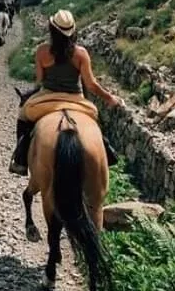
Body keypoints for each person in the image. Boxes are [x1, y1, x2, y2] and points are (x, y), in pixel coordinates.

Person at [9, 9, 123, 176]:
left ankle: (21, 159)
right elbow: (91, 84)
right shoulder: (81, 54)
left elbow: (39, 81)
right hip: (76, 100)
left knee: (23, 117)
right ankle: (106, 152)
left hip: (46, 98)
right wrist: (110, 98)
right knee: (93, 121)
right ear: (72, 31)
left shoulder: (42, 51)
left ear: (52, 29)